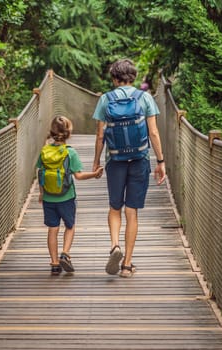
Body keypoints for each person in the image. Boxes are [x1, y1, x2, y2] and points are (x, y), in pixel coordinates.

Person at [92, 58, 166, 278]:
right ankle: (127, 265)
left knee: (115, 207)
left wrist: (96, 162)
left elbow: (99, 135)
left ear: (114, 78)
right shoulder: (144, 98)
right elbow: (153, 132)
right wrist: (160, 162)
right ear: (133, 77)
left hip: (115, 161)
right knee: (131, 211)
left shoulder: (105, 100)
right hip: (139, 159)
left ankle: (115, 246)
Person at [37, 116, 104, 275]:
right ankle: (65, 253)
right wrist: (94, 174)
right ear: (68, 134)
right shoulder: (70, 152)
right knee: (70, 226)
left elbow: (40, 173)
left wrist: (41, 193)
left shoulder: (44, 151)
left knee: (53, 229)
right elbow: (78, 176)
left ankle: (54, 263)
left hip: (48, 197)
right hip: (66, 197)